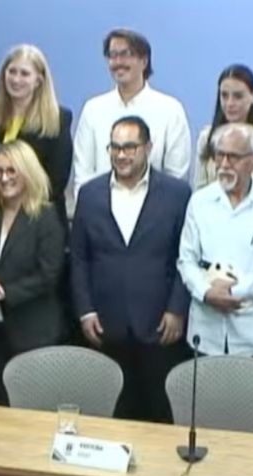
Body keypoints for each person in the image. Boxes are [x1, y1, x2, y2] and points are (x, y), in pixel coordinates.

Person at [71, 116, 192, 422]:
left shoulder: (177, 194)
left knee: (159, 417)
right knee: (111, 416)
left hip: (159, 326)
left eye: (129, 147)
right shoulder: (90, 194)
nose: (121, 155)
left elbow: (186, 257)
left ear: (148, 148)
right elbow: (80, 258)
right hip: (105, 326)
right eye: (115, 147)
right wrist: (85, 310)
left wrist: (177, 309)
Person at [177, 123, 253, 361]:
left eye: (234, 157)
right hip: (206, 333)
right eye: (219, 155)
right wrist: (207, 292)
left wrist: (234, 291)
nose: (224, 164)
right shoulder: (199, 201)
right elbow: (186, 259)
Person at [0, 140, 66, 405]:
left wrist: (3, 293)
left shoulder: (45, 217)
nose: (4, 178)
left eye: (11, 170)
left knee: (30, 411)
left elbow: (49, 274)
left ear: (27, 171)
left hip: (32, 333)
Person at [71, 28, 191, 203]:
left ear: (144, 61)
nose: (118, 62)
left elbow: (176, 176)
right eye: (112, 55)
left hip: (155, 213)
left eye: (126, 54)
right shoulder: (93, 110)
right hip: (101, 212)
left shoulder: (170, 110)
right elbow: (83, 174)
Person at [0, 44, 72, 230]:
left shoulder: (58, 119)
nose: (16, 79)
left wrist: (17, 211)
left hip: (38, 222)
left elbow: (56, 181)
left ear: (39, 80)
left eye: (24, 74)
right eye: (12, 72)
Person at [192, 64, 253, 191]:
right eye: (224, 96)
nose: (230, 103)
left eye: (238, 96)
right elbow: (199, 189)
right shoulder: (207, 137)